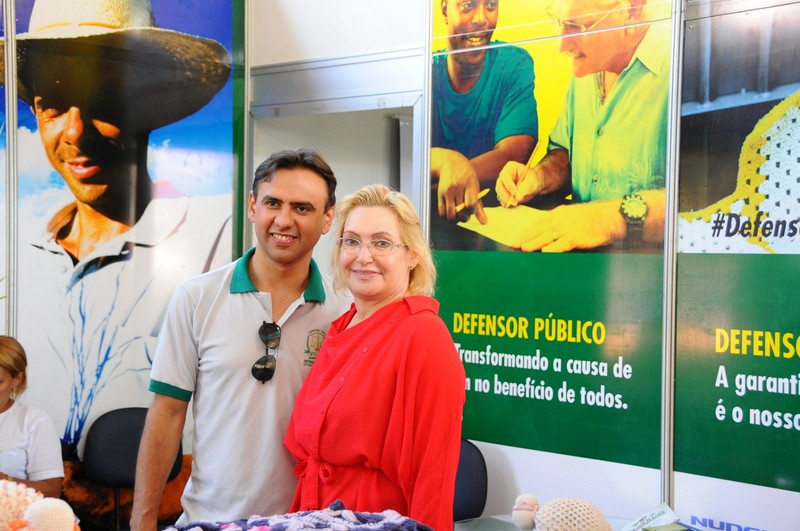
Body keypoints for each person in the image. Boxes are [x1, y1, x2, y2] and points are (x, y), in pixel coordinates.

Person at [0, 0, 233, 454]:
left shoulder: (217, 237)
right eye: (52, 107)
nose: (75, 132)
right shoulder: (15, 249)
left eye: (103, 103)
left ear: (150, 107)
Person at [130, 148, 352, 529]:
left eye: (302, 208)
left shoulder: (345, 312)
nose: (284, 220)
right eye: (272, 203)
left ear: (328, 218)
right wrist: (143, 519)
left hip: (305, 521)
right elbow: (167, 413)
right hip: (209, 520)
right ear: (252, 206)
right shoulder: (197, 297)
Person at [284, 184, 466, 531]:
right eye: (351, 241)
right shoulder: (341, 325)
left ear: (412, 255)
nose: (363, 256)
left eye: (381, 243)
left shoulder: (423, 336)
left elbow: (433, 477)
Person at [496, 0, 669, 252]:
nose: (561, 45)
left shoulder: (684, 66)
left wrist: (604, 219)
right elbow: (565, 154)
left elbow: (702, 205)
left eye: (578, 26)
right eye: (560, 23)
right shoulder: (588, 65)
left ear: (632, 11)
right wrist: (539, 177)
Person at [431, 0, 538, 230]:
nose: (482, 17)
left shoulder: (513, 64)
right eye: (468, 5)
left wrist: (455, 174)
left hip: (493, 226)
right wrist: (446, 160)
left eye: (490, 5)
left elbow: (515, 153)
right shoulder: (423, 73)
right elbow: (402, 156)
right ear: (444, 10)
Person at [0, 336, 64, 499]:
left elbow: (51, 490)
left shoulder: (34, 421)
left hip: (19, 519)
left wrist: (5, 481)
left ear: (17, 379)